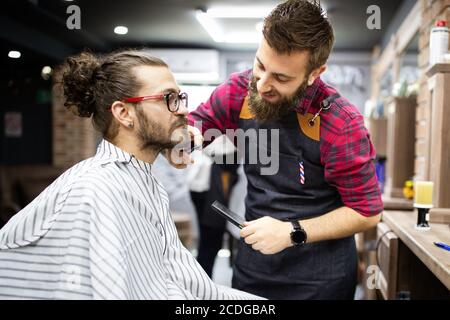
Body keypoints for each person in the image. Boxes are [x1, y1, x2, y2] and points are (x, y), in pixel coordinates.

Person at [0, 50, 261, 300]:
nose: (182, 110)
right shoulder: (95, 190)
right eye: (168, 98)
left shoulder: (147, 184)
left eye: (180, 98)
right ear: (124, 114)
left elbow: (188, 283)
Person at [185, 0, 383, 299]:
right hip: (254, 268)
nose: (262, 85)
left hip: (320, 278)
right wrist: (185, 137)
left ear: (315, 73)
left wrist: (293, 232)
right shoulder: (239, 91)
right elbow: (199, 122)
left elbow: (366, 213)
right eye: (260, 66)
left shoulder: (341, 123)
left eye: (281, 78)